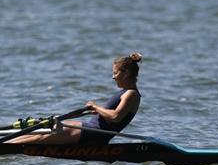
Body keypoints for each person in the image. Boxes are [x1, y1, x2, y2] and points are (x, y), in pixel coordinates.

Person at [9, 52, 142, 145]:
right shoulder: (125, 93)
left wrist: (96, 106)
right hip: (91, 128)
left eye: (115, 73)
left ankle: (2, 148)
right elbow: (111, 115)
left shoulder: (131, 94)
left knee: (43, 136)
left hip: (95, 134)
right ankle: (7, 142)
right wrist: (95, 111)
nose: (113, 77)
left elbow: (115, 117)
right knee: (49, 128)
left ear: (126, 73)